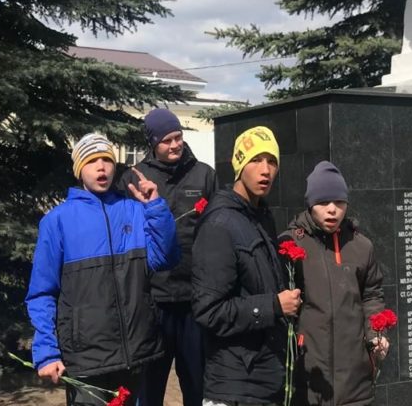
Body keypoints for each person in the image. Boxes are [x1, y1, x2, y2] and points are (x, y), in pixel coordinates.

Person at [26, 133, 180, 405]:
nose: (101, 167)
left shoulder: (134, 209)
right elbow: (42, 292)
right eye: (92, 161)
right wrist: (47, 352)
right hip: (86, 360)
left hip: (134, 353)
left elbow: (164, 259)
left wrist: (156, 207)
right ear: (78, 170)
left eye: (107, 160)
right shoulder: (57, 221)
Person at [192, 126, 302, 406]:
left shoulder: (261, 217)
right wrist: (273, 306)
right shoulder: (219, 224)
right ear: (239, 164)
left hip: (265, 380)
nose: (265, 170)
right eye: (256, 160)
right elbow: (209, 312)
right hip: (235, 386)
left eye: (272, 161)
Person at [116, 109, 216, 406]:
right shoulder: (132, 179)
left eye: (178, 137)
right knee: (149, 390)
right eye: (166, 140)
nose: (175, 145)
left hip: (193, 302)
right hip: (152, 302)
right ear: (152, 143)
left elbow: (216, 231)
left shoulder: (204, 174)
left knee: (196, 387)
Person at [281, 162, 387, 406]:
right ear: (310, 204)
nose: (332, 210)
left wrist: (375, 334)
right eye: (323, 202)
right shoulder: (290, 244)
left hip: (355, 384)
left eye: (339, 202)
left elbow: (372, 295)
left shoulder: (361, 246)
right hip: (308, 379)